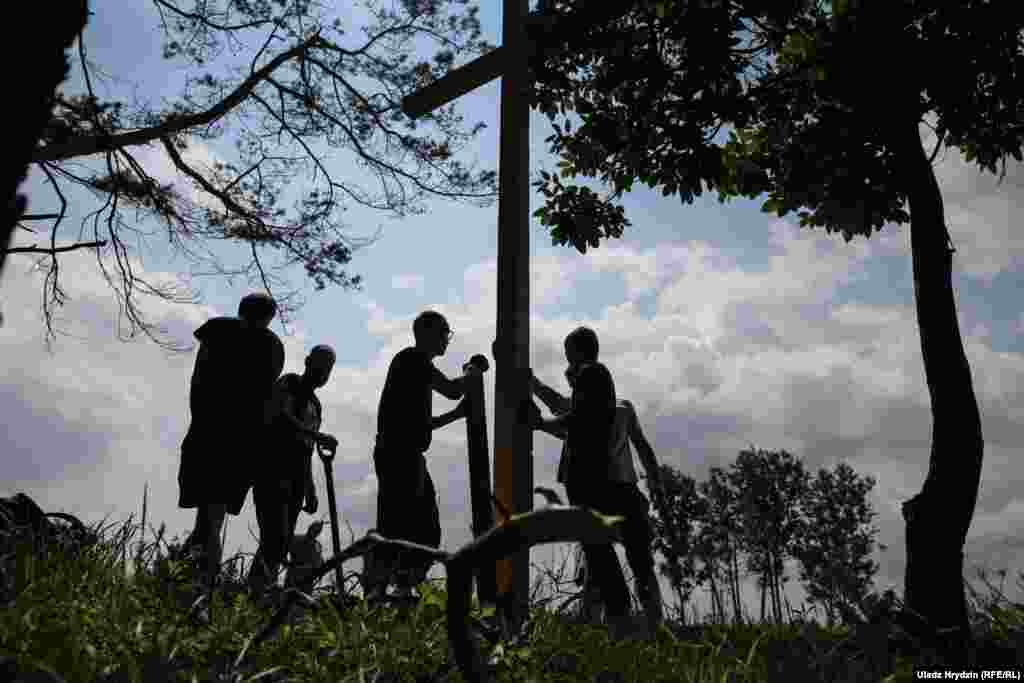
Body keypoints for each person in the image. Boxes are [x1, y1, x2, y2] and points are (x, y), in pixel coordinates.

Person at [525, 326, 664, 637]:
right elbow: (563, 410)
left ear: (576, 355)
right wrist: (534, 386)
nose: (568, 367)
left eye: (569, 358)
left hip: (604, 488)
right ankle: (642, 625)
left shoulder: (599, 395)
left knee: (604, 556)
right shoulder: (618, 406)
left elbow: (571, 421)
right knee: (623, 561)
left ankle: (621, 623)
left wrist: (540, 416)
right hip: (623, 490)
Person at [365, 311, 478, 602]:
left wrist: (456, 415)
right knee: (407, 524)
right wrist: (473, 372)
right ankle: (386, 588)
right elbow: (453, 390)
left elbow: (421, 424)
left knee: (418, 525)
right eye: (445, 333)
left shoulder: (413, 366)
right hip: (399, 454)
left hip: (404, 452)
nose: (447, 340)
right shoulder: (413, 360)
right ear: (429, 334)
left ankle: (397, 585)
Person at [178, 292, 285, 590]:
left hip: (215, 437)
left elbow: (199, 384)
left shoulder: (219, 332)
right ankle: (191, 577)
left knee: (209, 518)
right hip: (236, 443)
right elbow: (265, 397)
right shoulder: (270, 345)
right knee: (210, 518)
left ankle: (203, 584)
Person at [248, 345, 338, 600]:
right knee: (274, 537)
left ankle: (263, 594)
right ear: (308, 361)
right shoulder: (288, 383)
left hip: (297, 480)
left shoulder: (316, 405)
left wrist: (310, 488)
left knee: (283, 540)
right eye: (320, 365)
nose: (323, 373)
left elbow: (307, 451)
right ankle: (255, 594)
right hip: (272, 470)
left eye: (328, 369)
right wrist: (316, 435)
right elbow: (282, 416)